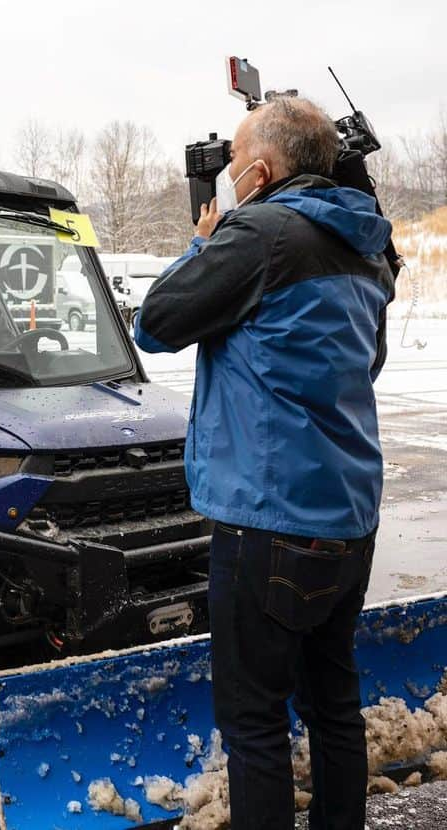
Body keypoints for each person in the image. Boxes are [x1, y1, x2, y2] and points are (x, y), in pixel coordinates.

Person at [134, 97, 394, 830]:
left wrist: (204, 241)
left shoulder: (262, 232)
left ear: (260, 170)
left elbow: (155, 324)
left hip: (268, 520)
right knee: (333, 704)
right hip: (350, 515)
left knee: (253, 722)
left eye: (236, 162)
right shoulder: (367, 245)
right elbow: (366, 362)